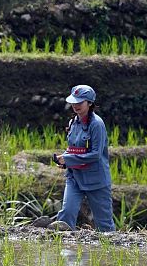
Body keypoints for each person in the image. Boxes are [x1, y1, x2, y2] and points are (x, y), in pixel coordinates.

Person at [42, 84, 114, 232]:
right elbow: (73, 148)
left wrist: (68, 159)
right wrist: (64, 160)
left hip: (96, 180)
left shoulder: (97, 125)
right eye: (73, 102)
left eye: (80, 102)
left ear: (89, 103)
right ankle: (65, 253)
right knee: (66, 215)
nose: (75, 106)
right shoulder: (73, 122)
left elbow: (95, 154)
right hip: (74, 176)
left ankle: (109, 252)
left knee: (104, 225)